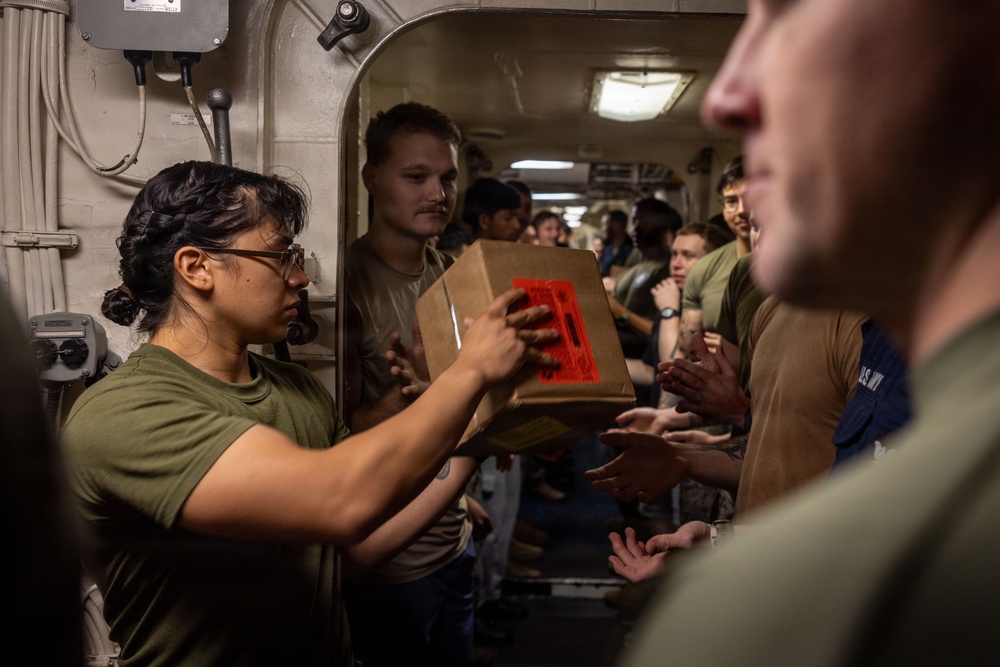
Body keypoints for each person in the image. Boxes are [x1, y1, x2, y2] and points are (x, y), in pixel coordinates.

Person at [61, 160, 559, 667]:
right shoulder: (126, 411)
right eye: (280, 256)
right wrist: (470, 372)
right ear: (196, 267)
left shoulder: (295, 390)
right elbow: (342, 499)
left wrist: (479, 442)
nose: (299, 277)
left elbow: (364, 539)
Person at [621, 3, 1000, 664]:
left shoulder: (776, 611)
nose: (727, 96)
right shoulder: (873, 328)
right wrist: (723, 541)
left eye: (790, 14)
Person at [342, 102, 485, 666]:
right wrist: (409, 398)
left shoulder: (449, 273)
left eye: (447, 177)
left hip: (452, 536)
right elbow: (335, 435)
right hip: (390, 563)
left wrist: (462, 496)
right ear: (372, 180)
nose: (438, 194)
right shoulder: (351, 286)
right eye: (416, 176)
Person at [677, 156, 752, 358]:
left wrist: (736, 351)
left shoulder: (793, 267)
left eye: (752, 198)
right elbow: (688, 348)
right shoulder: (705, 269)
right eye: (731, 202)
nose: (742, 211)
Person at [606, 197, 683, 359]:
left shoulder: (666, 269)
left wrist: (620, 312)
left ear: (660, 225)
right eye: (634, 221)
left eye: (643, 221)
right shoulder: (635, 259)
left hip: (638, 354)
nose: (635, 228)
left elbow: (657, 331)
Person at [463, 178, 522, 243]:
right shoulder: (464, 252)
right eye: (508, 218)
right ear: (485, 220)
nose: (517, 225)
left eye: (517, 217)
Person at [598, 209, 632, 277]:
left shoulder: (632, 250)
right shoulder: (607, 249)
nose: (602, 228)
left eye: (605, 224)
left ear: (617, 225)